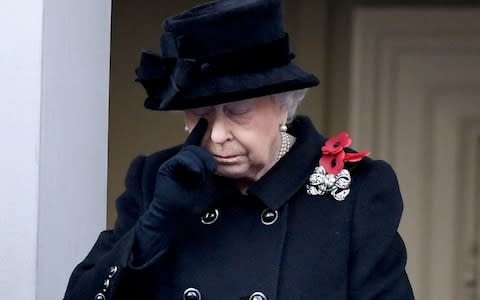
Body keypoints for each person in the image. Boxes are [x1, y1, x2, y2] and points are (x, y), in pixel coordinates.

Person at [64, 0, 415, 299]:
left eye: (238, 111)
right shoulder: (153, 179)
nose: (217, 135)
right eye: (201, 114)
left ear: (283, 105)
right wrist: (153, 225)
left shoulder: (358, 190)